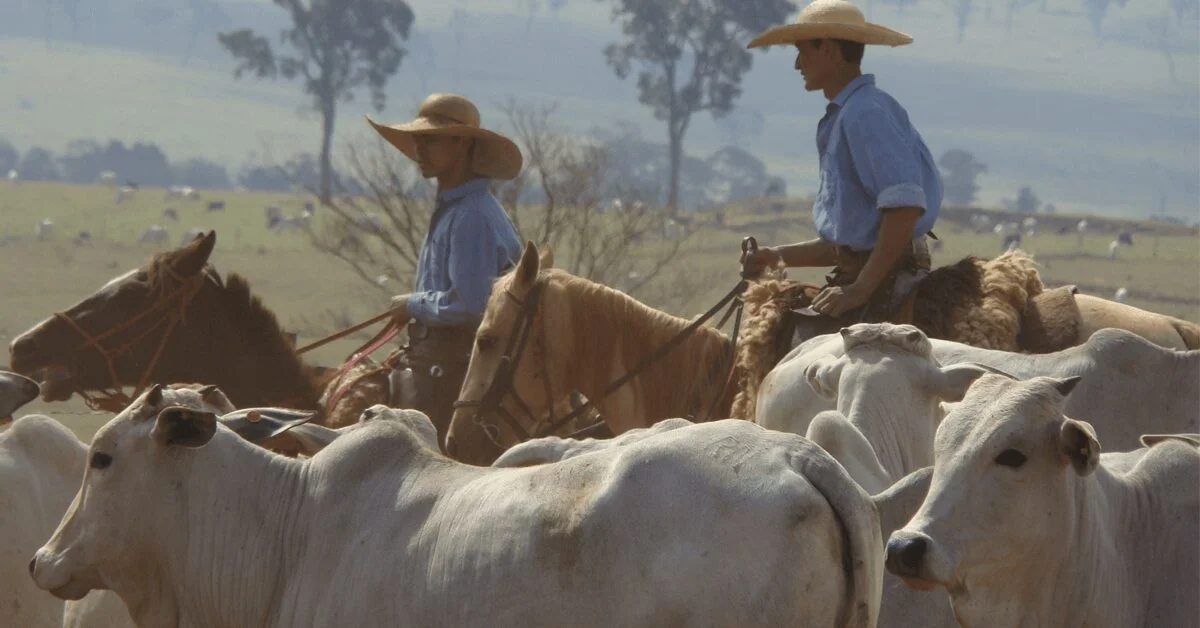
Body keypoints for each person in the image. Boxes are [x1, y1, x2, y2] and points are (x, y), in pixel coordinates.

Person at [741, 0, 943, 332]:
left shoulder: (864, 112)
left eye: (803, 51)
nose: (797, 64)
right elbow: (849, 243)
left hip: (883, 282)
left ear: (830, 50)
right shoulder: (851, 111)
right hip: (867, 273)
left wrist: (859, 290)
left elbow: (904, 207)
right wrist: (775, 256)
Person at [365, 93, 523, 445]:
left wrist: (412, 305)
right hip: (436, 359)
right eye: (418, 141)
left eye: (430, 140)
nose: (419, 150)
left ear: (462, 142)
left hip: (455, 372)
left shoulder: (472, 216)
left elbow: (471, 306)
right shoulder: (458, 209)